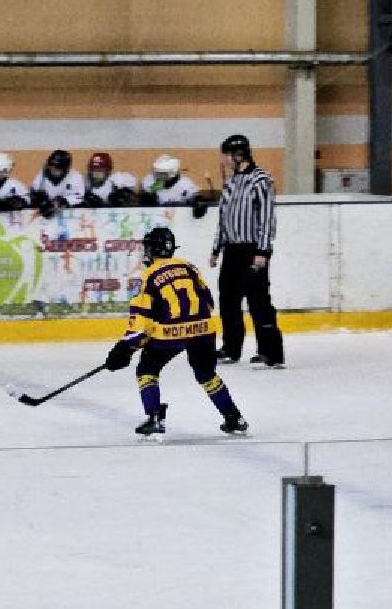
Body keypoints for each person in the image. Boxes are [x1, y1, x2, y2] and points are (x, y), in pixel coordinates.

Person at [103, 226, 249, 439]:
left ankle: (154, 417)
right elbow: (207, 301)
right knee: (206, 374)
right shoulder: (189, 266)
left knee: (147, 369)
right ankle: (234, 417)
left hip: (170, 334)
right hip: (204, 329)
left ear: (152, 249)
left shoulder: (150, 275)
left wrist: (124, 347)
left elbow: (140, 318)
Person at [211, 134, 285, 368]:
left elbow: (266, 219)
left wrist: (263, 251)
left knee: (258, 301)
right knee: (228, 300)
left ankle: (270, 352)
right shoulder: (231, 183)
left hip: (252, 249)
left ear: (238, 155)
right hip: (231, 250)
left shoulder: (260, 179)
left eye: (227, 155)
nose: (224, 160)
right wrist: (216, 249)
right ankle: (231, 348)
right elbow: (223, 219)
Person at [29, 149, 85, 216]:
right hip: (47, 210)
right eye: (51, 166)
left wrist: (61, 201)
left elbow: (79, 197)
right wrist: (39, 200)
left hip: (69, 211)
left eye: (57, 168)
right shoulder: (42, 176)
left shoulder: (75, 177)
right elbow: (34, 192)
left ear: (65, 169)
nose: (53, 170)